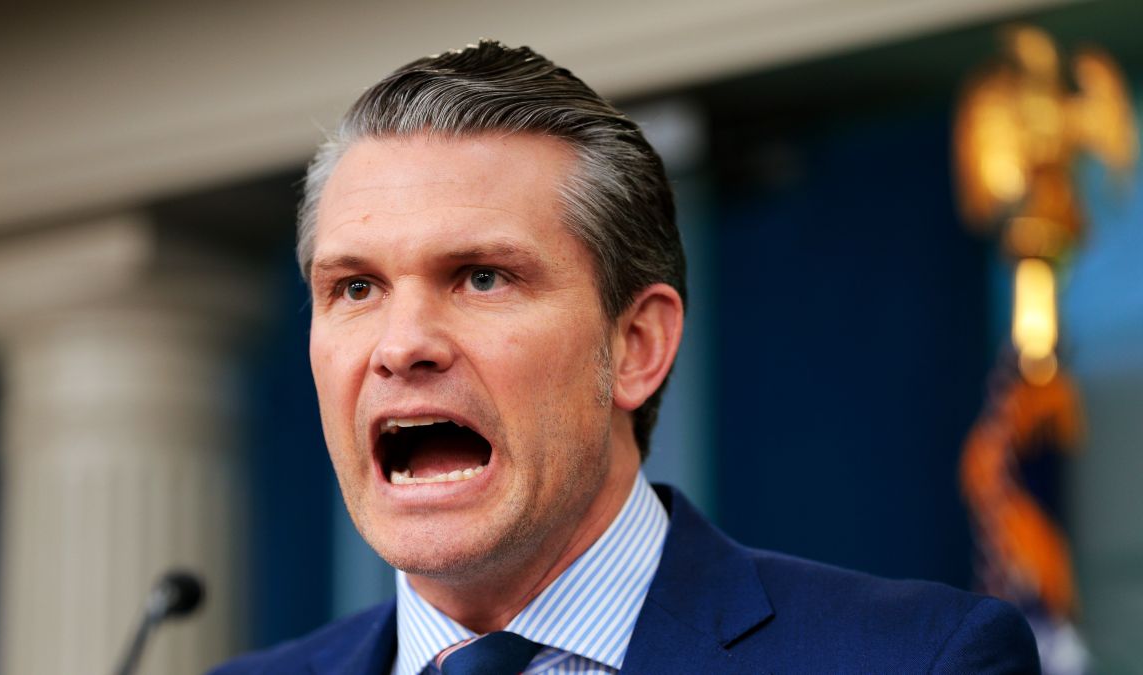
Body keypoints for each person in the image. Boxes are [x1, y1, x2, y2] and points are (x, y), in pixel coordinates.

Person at [212, 40, 1040, 674]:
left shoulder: (914, 660)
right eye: (355, 288)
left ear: (636, 345)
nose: (402, 345)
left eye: (482, 276)